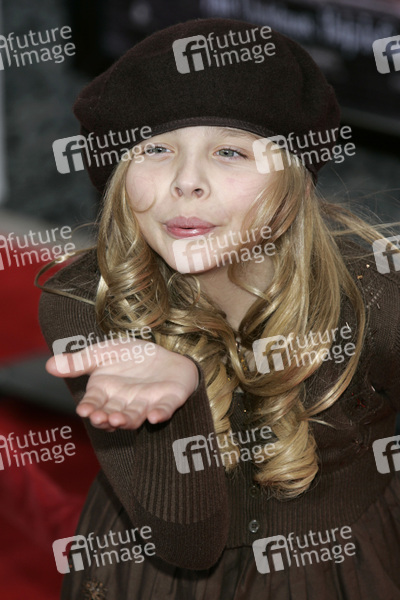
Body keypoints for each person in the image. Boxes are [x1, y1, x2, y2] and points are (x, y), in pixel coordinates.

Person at [38, 18, 400, 600]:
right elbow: (188, 544)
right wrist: (176, 410)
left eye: (229, 151)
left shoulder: (377, 294)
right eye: (156, 149)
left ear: (295, 180)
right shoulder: (88, 301)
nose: (187, 183)